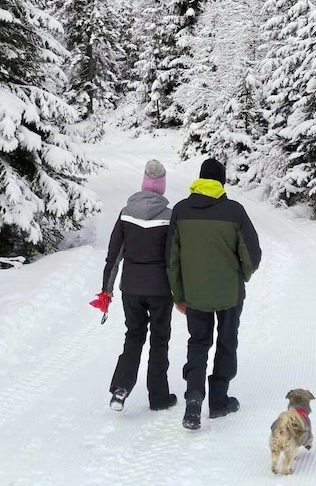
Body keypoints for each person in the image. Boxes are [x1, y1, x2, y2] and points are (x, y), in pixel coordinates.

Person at [166, 157, 261, 430]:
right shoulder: (234, 211)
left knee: (198, 343)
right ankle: (219, 401)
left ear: (199, 179)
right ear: (222, 181)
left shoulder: (181, 211)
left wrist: (179, 295)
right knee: (226, 341)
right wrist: (241, 275)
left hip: (194, 294)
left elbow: (171, 257)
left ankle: (194, 399)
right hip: (229, 292)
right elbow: (252, 254)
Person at [96, 159, 177, 412]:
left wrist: (106, 293)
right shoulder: (169, 216)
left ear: (143, 184)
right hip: (161, 290)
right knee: (159, 340)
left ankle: (120, 389)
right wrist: (182, 290)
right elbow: (174, 259)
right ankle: (159, 397)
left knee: (134, 336)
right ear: (162, 187)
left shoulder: (125, 213)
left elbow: (114, 255)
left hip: (131, 289)